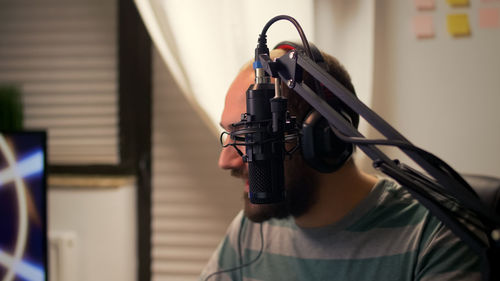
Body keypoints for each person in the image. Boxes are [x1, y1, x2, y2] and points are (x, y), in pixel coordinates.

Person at [199, 44, 481, 281]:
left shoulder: (434, 237)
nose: (225, 161)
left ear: (321, 138)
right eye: (230, 133)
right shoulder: (249, 232)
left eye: (248, 135)